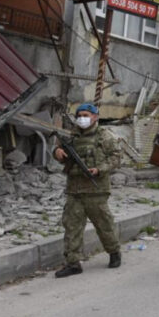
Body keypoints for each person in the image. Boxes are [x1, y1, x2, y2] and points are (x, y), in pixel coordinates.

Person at [53, 103, 122, 278]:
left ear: (95, 117)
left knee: (104, 224)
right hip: (74, 188)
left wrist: (100, 169)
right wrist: (57, 153)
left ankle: (114, 252)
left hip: (95, 189)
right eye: (80, 115)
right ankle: (73, 262)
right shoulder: (70, 136)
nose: (82, 118)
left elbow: (116, 158)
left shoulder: (105, 137)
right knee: (72, 226)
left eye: (86, 115)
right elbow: (58, 152)